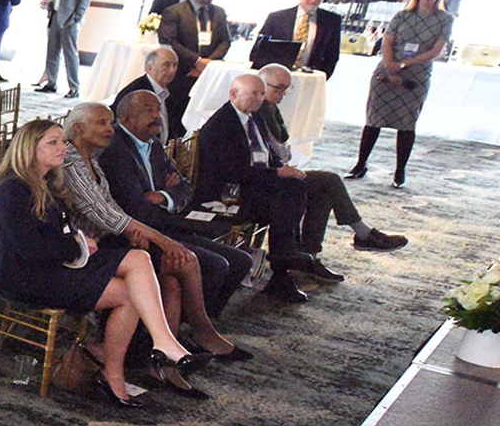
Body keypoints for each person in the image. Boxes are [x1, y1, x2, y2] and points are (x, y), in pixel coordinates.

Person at [0, 120, 201, 407]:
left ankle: (118, 373)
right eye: (53, 142)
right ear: (29, 148)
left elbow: (52, 234)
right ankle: (159, 345)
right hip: (24, 277)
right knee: (137, 263)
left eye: (62, 141)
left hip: (52, 267)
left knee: (132, 286)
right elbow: (29, 249)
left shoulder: (46, 182)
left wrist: (78, 240)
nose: (63, 148)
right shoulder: (13, 189)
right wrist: (78, 244)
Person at [58, 103, 235, 383]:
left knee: (172, 275)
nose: (110, 129)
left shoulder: (90, 159)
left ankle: (164, 359)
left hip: (106, 238)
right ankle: (195, 337)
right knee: (180, 258)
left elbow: (113, 209)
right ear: (79, 128)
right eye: (102, 123)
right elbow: (107, 215)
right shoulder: (70, 161)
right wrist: (158, 239)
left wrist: (133, 232)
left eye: (111, 122)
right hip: (82, 249)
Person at [100, 88, 254, 325]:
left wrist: (163, 195)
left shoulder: (152, 145)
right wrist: (171, 205)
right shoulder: (116, 152)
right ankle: (192, 329)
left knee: (241, 261)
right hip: (138, 235)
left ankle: (197, 325)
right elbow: (136, 209)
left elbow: (185, 189)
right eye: (148, 111)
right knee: (216, 265)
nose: (157, 116)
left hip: (167, 225)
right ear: (125, 119)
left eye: (158, 110)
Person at [255, 64, 405, 255]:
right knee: (328, 181)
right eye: (279, 88)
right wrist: (282, 169)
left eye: (286, 89)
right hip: (265, 178)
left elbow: (282, 151)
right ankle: (361, 234)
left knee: (324, 189)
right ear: (262, 85)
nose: (283, 94)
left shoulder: (271, 111)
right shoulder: (256, 112)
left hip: (274, 171)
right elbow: (273, 153)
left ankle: (310, 255)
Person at [195, 74, 317, 304]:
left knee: (303, 186)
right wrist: (278, 174)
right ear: (233, 93)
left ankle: (290, 258)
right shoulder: (220, 125)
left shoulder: (255, 118)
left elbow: (270, 153)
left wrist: (281, 169)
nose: (259, 99)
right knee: (290, 192)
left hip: (258, 183)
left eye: (262, 94)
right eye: (253, 93)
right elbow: (232, 172)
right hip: (231, 192)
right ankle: (284, 261)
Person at [349, 0, 452, 189]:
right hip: (388, 69)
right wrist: (391, 67)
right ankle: (360, 164)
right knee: (373, 119)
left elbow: (435, 51)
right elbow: (387, 42)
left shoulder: (444, 19)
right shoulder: (402, 15)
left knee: (407, 123)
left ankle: (399, 170)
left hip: (417, 74)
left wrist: (404, 65)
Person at [156, 0, 230, 133]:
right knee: (176, 123)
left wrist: (208, 64)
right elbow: (168, 40)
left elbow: (225, 41)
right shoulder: (174, 11)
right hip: (182, 75)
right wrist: (197, 62)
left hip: (208, 77)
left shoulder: (218, 12)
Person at [33, 0, 95, 98]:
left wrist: (76, 18)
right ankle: (51, 83)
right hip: (55, 16)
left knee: (70, 54)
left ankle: (74, 87)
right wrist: (51, 3)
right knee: (52, 52)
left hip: (70, 20)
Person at [250, 0, 341, 76]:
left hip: (309, 78)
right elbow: (258, 49)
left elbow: (332, 54)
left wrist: (322, 76)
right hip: (275, 76)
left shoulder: (331, 21)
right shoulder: (277, 18)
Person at [115, 47, 182, 139]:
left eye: (175, 65)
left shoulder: (173, 91)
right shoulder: (135, 93)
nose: (172, 70)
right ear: (149, 68)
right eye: (166, 65)